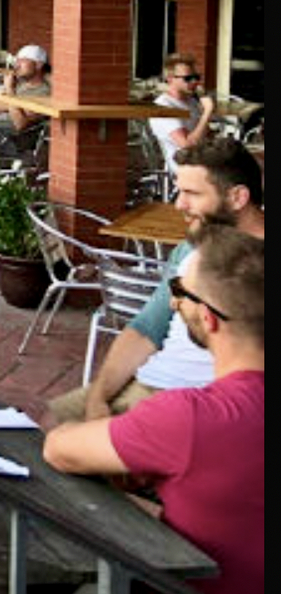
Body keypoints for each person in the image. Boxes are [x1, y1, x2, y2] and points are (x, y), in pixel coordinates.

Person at [43, 222, 263, 594]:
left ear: (209, 319)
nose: (174, 302)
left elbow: (58, 447)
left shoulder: (191, 417)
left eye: (180, 291)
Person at [47, 137, 264, 424]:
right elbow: (147, 328)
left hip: (200, 405)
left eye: (192, 193)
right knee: (51, 420)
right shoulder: (190, 249)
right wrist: (99, 396)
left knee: (64, 448)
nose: (179, 204)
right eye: (178, 191)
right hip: (148, 383)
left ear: (238, 197)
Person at [151, 52, 218, 172]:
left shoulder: (191, 101)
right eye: (188, 78)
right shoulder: (164, 106)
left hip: (202, 160)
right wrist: (207, 112)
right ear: (170, 79)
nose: (194, 82)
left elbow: (204, 136)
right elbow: (187, 145)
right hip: (184, 167)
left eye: (196, 77)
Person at [0, 43, 51, 133]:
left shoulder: (44, 92)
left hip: (12, 138)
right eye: (17, 61)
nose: (17, 66)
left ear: (39, 65)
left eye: (22, 61)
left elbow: (20, 124)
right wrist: (18, 107)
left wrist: (10, 92)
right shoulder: (17, 83)